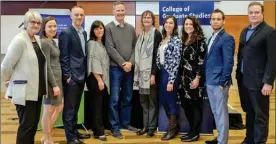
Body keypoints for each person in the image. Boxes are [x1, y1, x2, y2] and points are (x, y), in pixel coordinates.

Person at [1, 10, 46, 144]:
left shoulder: (37, 39)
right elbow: (6, 65)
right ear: (26, 23)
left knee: (33, 125)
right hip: (24, 91)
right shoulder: (19, 40)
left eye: (39, 23)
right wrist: (7, 80)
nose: (36, 25)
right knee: (26, 126)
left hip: (37, 90)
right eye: (33, 22)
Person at [236, 2, 275, 144]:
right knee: (250, 113)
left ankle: (259, 141)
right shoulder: (244, 31)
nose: (253, 15)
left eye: (256, 12)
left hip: (259, 82)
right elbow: (241, 55)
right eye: (251, 12)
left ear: (262, 13)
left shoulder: (269, 32)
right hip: (244, 80)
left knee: (261, 116)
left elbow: (272, 59)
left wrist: (268, 82)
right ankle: (249, 139)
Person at [105, 1, 137, 139]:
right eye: (118, 11)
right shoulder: (108, 28)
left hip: (129, 69)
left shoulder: (131, 28)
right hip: (115, 69)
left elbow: (136, 47)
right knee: (114, 99)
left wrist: (130, 63)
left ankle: (126, 123)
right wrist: (123, 63)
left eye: (122, 10)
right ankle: (115, 127)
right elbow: (110, 48)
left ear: (125, 12)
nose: (120, 13)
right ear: (113, 12)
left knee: (128, 97)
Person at [59, 6, 90, 144]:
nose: (79, 17)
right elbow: (64, 57)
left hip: (81, 75)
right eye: (76, 15)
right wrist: (67, 76)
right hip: (72, 77)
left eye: (81, 15)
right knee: (70, 109)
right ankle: (71, 138)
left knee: (76, 107)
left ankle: (74, 132)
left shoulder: (84, 33)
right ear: (71, 16)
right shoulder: (66, 33)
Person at [204, 9, 235, 144]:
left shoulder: (227, 38)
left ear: (223, 21)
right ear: (210, 21)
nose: (215, 21)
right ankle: (219, 138)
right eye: (213, 19)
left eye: (218, 19)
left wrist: (223, 82)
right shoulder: (212, 37)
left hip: (219, 83)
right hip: (210, 81)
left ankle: (223, 141)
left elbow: (229, 62)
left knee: (221, 114)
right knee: (216, 112)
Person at [178, 16, 207, 142]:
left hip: (195, 79)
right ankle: (191, 130)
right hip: (184, 79)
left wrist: (198, 78)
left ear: (195, 26)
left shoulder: (200, 41)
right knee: (185, 105)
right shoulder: (184, 39)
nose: (188, 26)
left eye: (191, 24)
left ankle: (195, 133)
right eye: (186, 24)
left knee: (195, 106)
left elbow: (201, 62)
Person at [134, 10, 162, 138]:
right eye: (144, 18)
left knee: (152, 102)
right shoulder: (140, 35)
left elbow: (157, 56)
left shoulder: (156, 34)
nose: (146, 19)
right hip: (140, 75)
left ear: (153, 20)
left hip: (151, 75)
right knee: (143, 102)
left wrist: (153, 74)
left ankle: (151, 127)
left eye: (149, 18)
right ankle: (145, 126)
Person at [156, 15, 182, 141]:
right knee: (163, 101)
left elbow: (176, 62)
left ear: (175, 25)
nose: (168, 25)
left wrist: (171, 80)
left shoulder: (176, 40)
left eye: (171, 23)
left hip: (171, 73)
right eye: (166, 22)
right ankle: (175, 126)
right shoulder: (163, 39)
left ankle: (172, 130)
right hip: (162, 72)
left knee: (171, 101)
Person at [40, 16, 64, 144]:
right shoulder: (44, 42)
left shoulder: (53, 41)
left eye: (55, 26)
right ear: (44, 28)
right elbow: (46, 65)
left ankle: (46, 133)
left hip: (58, 79)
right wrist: (54, 85)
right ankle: (48, 139)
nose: (53, 28)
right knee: (48, 110)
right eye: (50, 26)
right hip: (50, 81)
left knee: (60, 106)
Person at [86, 20, 109, 141]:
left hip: (101, 79)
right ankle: (99, 132)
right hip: (95, 79)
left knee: (99, 105)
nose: (99, 30)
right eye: (96, 29)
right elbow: (93, 63)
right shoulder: (92, 43)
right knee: (97, 106)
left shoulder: (101, 43)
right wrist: (99, 80)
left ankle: (96, 130)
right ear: (92, 31)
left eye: (101, 28)